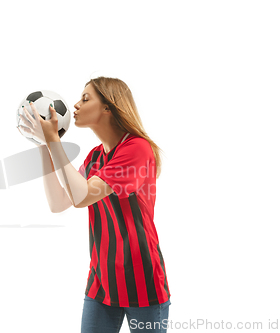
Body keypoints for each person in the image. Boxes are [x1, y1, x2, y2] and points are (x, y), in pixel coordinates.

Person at [18, 76, 171, 333]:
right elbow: (59, 202)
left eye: (85, 99)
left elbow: (83, 197)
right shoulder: (95, 156)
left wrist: (54, 140)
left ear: (108, 108)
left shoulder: (137, 149)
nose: (75, 105)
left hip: (141, 281)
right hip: (102, 281)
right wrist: (44, 146)